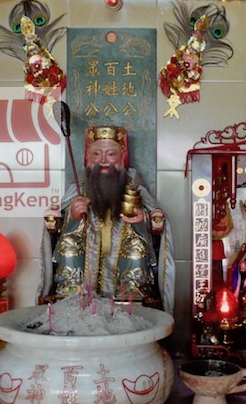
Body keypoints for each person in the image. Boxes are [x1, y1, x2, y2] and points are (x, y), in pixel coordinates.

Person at [41, 126, 175, 313]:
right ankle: (71, 300)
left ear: (122, 157)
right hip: (86, 261)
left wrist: (142, 219)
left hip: (123, 261)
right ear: (87, 158)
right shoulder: (79, 186)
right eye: (96, 154)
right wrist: (72, 215)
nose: (103, 160)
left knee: (136, 250)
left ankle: (132, 302)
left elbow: (158, 220)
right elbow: (54, 223)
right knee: (69, 246)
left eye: (111, 154)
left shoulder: (134, 186)